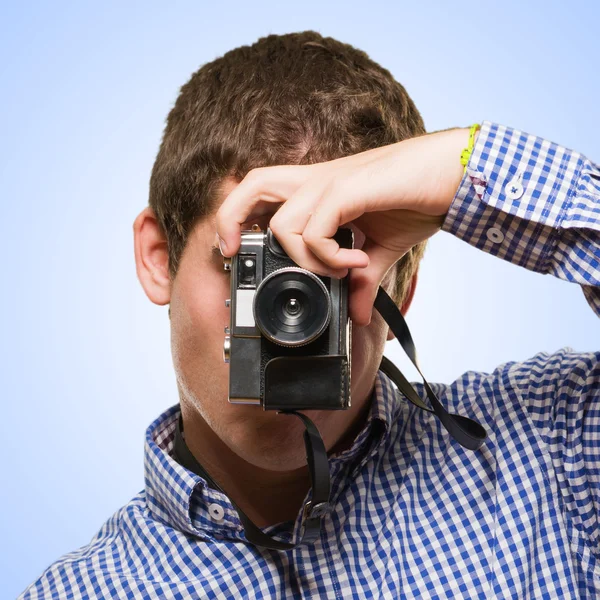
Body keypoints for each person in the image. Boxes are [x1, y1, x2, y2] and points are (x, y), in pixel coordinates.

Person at [19, 30, 599, 599]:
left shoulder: (555, 445)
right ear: (159, 259)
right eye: (252, 268)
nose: (289, 322)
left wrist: (461, 170)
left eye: (333, 269)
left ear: (405, 287)